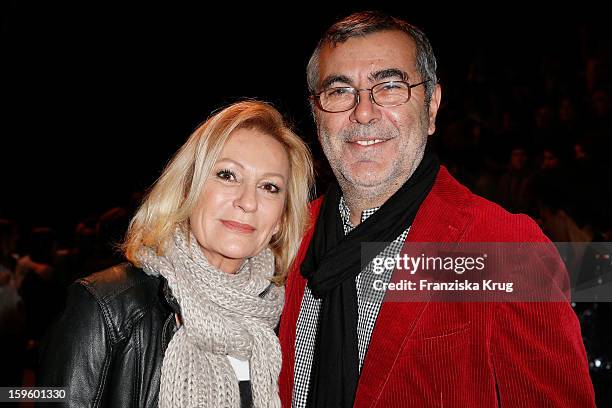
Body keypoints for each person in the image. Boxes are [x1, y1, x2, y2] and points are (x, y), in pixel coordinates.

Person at [277, 11, 596, 408]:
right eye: (340, 91)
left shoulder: (502, 248)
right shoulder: (287, 235)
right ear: (316, 112)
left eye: (390, 86)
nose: (363, 112)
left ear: (431, 108)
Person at [38, 100, 314, 407]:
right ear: (187, 189)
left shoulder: (285, 320)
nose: (248, 201)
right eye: (227, 175)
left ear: (281, 220)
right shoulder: (109, 308)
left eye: (269, 187)